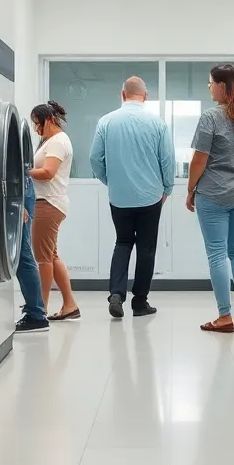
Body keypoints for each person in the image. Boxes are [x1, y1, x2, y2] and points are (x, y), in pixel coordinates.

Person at [185, 64, 234, 333]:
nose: (209, 87)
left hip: (214, 194)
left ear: (223, 85)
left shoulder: (211, 117)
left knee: (217, 254)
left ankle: (224, 316)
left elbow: (199, 159)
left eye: (210, 83)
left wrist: (190, 189)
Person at [90, 76, 175, 319]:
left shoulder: (106, 121)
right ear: (145, 96)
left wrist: (109, 180)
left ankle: (116, 294)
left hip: (119, 198)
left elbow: (95, 159)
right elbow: (167, 161)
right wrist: (167, 189)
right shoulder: (157, 123)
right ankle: (140, 302)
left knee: (123, 242)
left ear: (123, 94)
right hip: (151, 197)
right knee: (146, 248)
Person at [28, 100, 80, 321]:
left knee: (43, 259)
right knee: (51, 256)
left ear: (50, 119)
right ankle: (70, 305)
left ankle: (40, 310)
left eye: (39, 124)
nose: (37, 129)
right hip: (49, 202)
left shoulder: (58, 142)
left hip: (48, 203)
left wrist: (23, 171)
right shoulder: (53, 140)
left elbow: (48, 172)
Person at [14, 148, 48, 334]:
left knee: (23, 254)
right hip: (19, 188)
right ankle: (35, 312)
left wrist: (17, 202)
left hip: (18, 188)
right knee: (22, 254)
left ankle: (36, 315)